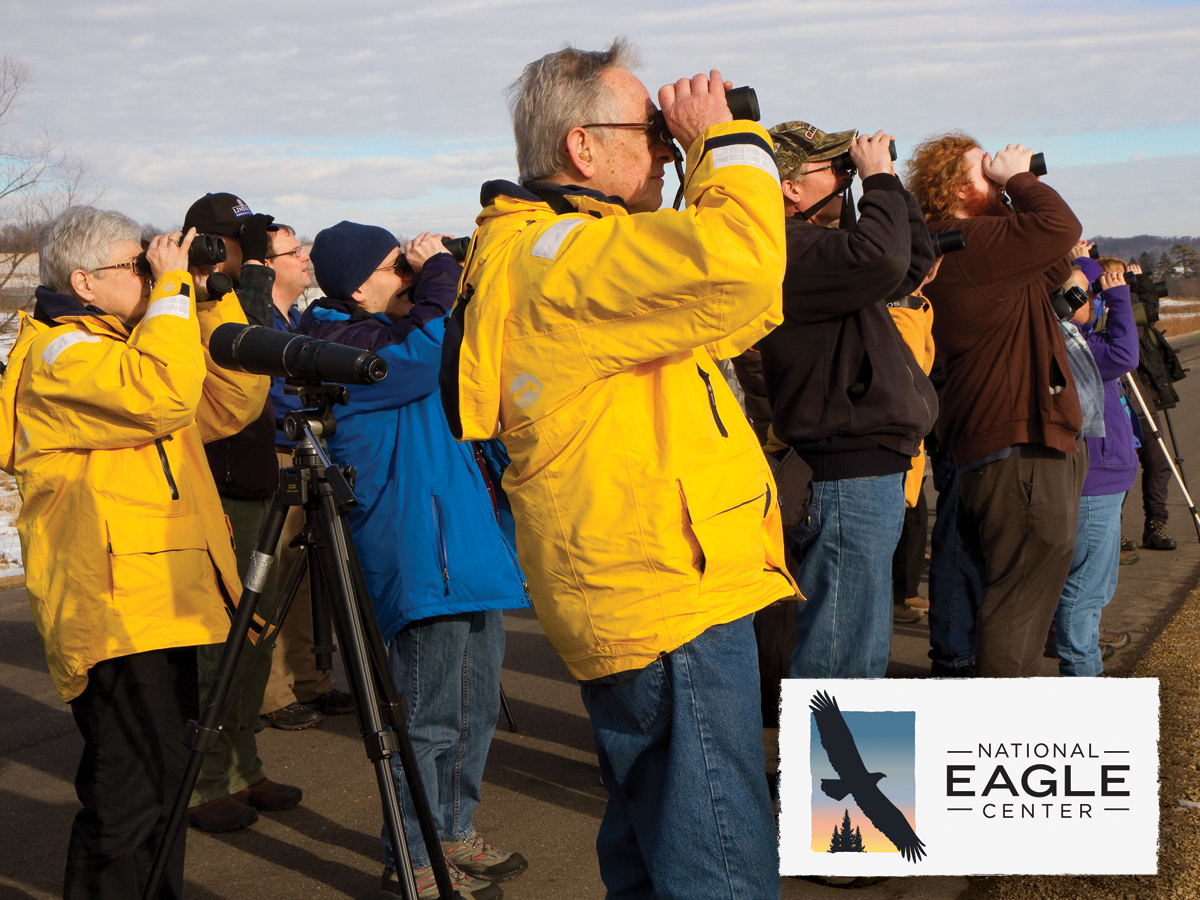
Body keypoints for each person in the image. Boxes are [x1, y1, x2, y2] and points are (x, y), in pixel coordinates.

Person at [441, 40, 795, 900]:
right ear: (581, 148)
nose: (669, 146)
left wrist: (705, 167)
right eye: (651, 131)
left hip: (646, 590)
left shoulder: (569, 253)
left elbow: (730, 312)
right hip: (665, 599)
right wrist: (729, 138)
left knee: (655, 851)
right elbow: (742, 269)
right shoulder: (557, 259)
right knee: (718, 862)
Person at [1, 206, 267, 898]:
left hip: (158, 603)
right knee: (125, 802)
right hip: (115, 612)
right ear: (83, 282)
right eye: (135, 266)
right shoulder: (64, 352)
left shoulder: (131, 345)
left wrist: (209, 296)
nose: (150, 275)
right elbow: (164, 393)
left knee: (165, 788)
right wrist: (173, 294)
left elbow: (227, 404)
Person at [301, 221, 531, 900]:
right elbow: (426, 352)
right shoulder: (338, 346)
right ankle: (413, 850)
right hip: (417, 554)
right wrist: (438, 273)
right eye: (394, 268)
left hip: (463, 545)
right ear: (356, 285)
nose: (406, 276)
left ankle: (452, 830)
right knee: (425, 719)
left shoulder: (393, 333)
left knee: (474, 706)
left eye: (408, 269)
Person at [758, 121, 937, 679]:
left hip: (864, 471)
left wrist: (889, 185)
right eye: (833, 169)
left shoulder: (824, 249)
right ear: (789, 187)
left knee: (858, 645)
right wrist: (876, 180)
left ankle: (850, 768)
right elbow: (883, 261)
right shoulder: (787, 247)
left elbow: (911, 263)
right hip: (844, 474)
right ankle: (833, 770)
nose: (845, 175)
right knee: (843, 652)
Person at [906, 133, 1085, 677]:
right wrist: (1021, 180)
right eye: (983, 167)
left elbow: (1059, 271)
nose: (998, 169)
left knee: (1023, 594)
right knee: (1020, 600)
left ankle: (1001, 725)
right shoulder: (967, 242)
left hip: (1020, 440)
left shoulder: (978, 241)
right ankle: (1000, 733)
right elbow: (1062, 230)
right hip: (1018, 447)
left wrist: (1005, 190)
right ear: (959, 186)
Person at [179, 192, 305, 832]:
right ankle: (202, 782)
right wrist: (222, 288)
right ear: (203, 240)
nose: (247, 252)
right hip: (216, 490)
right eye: (237, 240)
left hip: (256, 482)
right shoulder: (184, 304)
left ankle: (244, 766)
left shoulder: (227, 296)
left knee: (256, 640)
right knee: (218, 647)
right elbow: (231, 367)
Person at [257, 224, 356, 729]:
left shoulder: (295, 317)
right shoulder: (259, 324)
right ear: (267, 264)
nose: (304, 257)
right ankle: (273, 694)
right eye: (292, 251)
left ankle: (313, 682)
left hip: (307, 453)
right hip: (276, 457)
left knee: (310, 575)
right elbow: (272, 395)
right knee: (274, 579)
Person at [1052, 254, 1138, 674]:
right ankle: (1081, 667)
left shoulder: (1079, 339)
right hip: (1093, 487)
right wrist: (1119, 296)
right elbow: (1125, 352)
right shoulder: (1071, 345)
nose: (1099, 298)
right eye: (1089, 292)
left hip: (1106, 482)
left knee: (1095, 588)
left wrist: (1088, 267)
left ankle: (1082, 655)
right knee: (1083, 590)